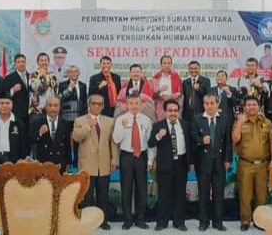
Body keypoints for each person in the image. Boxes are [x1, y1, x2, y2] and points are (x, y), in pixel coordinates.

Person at [71, 94, 118, 230]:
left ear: (103, 106)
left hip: (103, 164)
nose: (96, 106)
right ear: (89, 105)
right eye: (94, 104)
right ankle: (87, 222)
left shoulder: (110, 121)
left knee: (103, 195)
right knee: (87, 196)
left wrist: (114, 160)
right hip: (87, 164)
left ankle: (103, 221)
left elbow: (113, 143)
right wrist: (88, 127)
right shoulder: (80, 120)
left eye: (99, 104)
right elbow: (76, 137)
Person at [232, 96, 272, 231]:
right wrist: (239, 123)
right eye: (248, 105)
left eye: (254, 104)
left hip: (263, 164)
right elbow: (234, 140)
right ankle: (245, 221)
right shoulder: (239, 122)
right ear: (244, 107)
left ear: (259, 106)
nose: (251, 107)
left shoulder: (267, 123)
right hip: (245, 164)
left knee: (261, 195)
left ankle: (259, 221)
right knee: (245, 194)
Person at [112, 95, 154, 230]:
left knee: (142, 189)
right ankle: (127, 219)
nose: (134, 106)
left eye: (137, 103)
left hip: (141, 156)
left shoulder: (146, 120)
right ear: (127, 105)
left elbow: (150, 143)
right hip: (127, 156)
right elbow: (116, 139)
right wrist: (122, 127)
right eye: (131, 103)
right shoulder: (120, 119)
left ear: (141, 105)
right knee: (126, 188)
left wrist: (150, 160)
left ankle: (140, 219)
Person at [148, 99, 191, 231]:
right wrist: (158, 136)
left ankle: (179, 222)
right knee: (164, 194)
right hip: (165, 164)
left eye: (175, 110)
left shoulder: (185, 124)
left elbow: (190, 145)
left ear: (178, 111)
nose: (173, 113)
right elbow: (150, 144)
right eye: (170, 110)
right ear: (165, 112)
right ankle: (162, 222)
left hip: (181, 163)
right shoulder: (157, 125)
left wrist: (191, 162)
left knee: (180, 194)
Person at [192, 94, 231, 232]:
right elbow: (192, 138)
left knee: (219, 193)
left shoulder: (224, 119)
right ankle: (203, 221)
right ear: (203, 105)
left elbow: (228, 142)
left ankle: (218, 221)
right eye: (206, 103)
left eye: (212, 103)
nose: (209, 106)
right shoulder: (197, 119)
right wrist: (201, 140)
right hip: (203, 163)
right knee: (203, 193)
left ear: (217, 104)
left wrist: (228, 159)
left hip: (219, 162)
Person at [30, 97, 72, 174]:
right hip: (43, 163)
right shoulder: (37, 122)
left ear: (60, 107)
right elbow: (31, 140)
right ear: (45, 107)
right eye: (50, 105)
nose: (53, 108)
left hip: (60, 163)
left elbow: (67, 144)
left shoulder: (66, 123)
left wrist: (69, 162)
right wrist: (39, 133)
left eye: (56, 105)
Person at [3, 53, 31, 159]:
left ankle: (28, 158)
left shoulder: (32, 76)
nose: (21, 64)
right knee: (18, 136)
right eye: (19, 62)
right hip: (17, 112)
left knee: (28, 136)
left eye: (23, 62)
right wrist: (12, 90)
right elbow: (4, 95)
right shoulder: (10, 78)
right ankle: (17, 158)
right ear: (15, 64)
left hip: (30, 112)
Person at [151, 55, 183, 121]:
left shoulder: (176, 76)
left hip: (173, 106)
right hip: (161, 107)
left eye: (169, 63)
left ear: (171, 65)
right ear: (161, 64)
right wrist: (159, 91)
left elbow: (180, 93)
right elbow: (153, 95)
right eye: (164, 63)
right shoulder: (156, 77)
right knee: (161, 126)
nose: (167, 65)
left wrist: (171, 97)